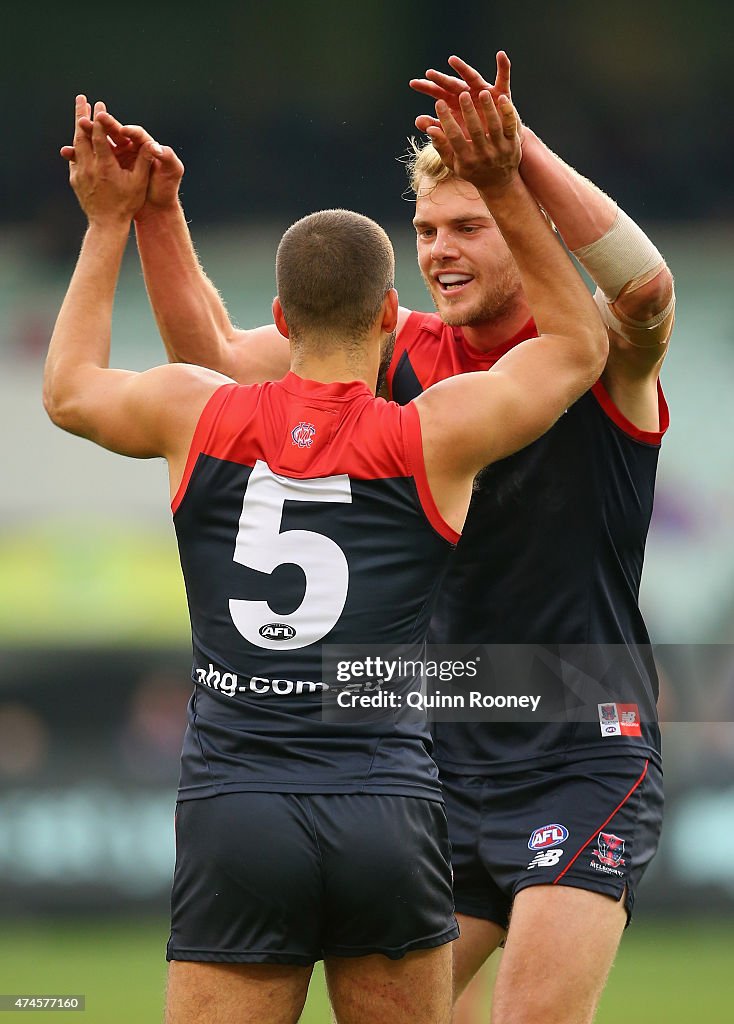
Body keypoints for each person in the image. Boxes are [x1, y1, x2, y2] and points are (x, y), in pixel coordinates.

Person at [64, 52, 673, 1024]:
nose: (438, 249)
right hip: (432, 756)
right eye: (426, 230)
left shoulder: (595, 351)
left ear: (524, 231)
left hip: (579, 745)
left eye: (468, 225)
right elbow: (216, 361)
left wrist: (517, 157)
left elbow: (643, 292)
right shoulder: (397, 347)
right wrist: (158, 219)